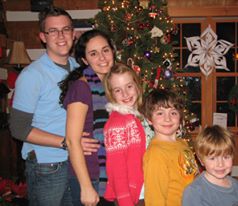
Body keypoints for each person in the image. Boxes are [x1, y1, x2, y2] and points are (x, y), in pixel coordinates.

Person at [9, 6, 97, 206]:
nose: (61, 36)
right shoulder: (32, 75)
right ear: (43, 37)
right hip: (47, 165)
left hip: (77, 161)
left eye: (66, 29)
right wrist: (68, 142)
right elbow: (19, 128)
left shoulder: (79, 68)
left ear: (73, 34)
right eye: (53, 31)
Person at [59, 29, 115, 206]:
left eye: (105, 50)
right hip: (91, 177)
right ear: (84, 60)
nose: (102, 57)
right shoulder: (82, 88)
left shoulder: (113, 86)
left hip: (111, 174)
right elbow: (72, 141)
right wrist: (86, 187)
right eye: (93, 53)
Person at [142, 89, 198, 206]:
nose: (167, 119)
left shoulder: (182, 143)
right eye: (160, 113)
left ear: (180, 117)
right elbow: (155, 199)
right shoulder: (156, 154)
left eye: (173, 113)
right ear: (149, 119)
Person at [103, 63, 146, 206]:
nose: (126, 94)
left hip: (142, 191)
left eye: (129, 86)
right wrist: (125, 201)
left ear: (137, 86)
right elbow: (117, 170)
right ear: (111, 93)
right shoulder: (117, 123)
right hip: (130, 197)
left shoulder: (134, 117)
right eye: (118, 90)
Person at [182, 125, 238, 206]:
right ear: (201, 161)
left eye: (226, 157)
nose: (220, 164)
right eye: (212, 158)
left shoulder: (237, 186)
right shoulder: (194, 192)